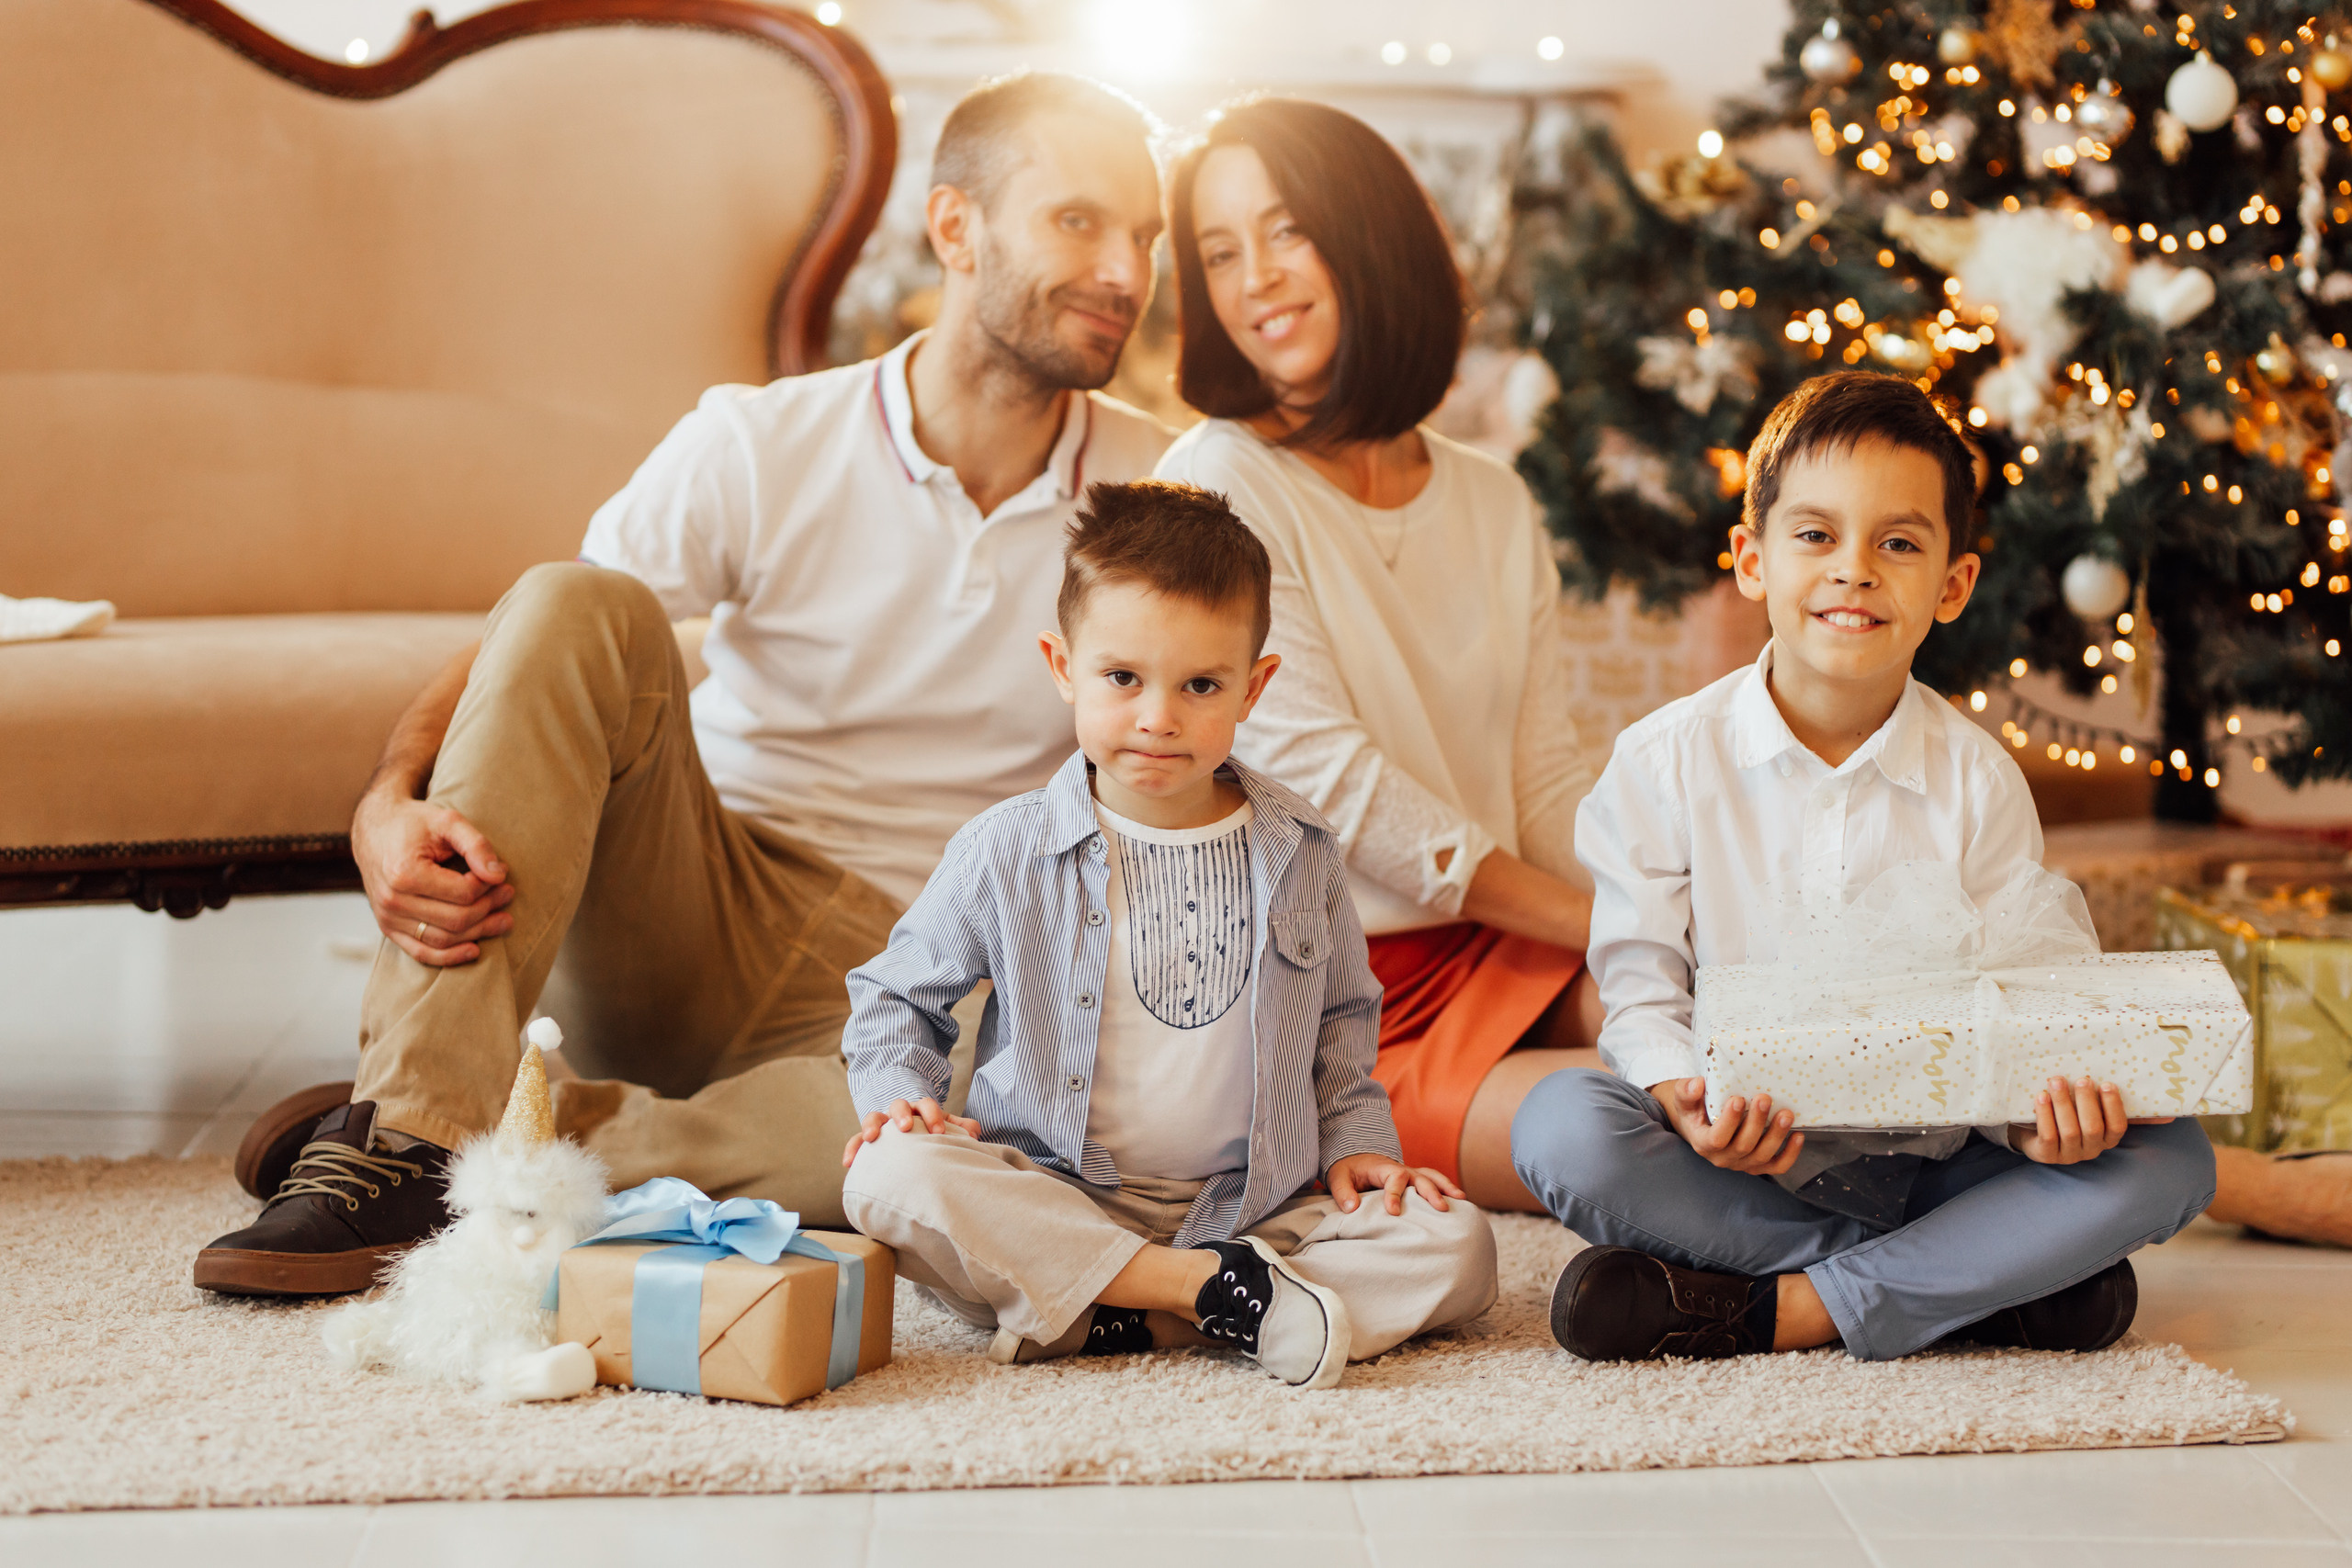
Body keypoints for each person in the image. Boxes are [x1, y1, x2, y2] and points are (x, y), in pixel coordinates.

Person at [193, 72, 1176, 1298]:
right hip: (701, 898)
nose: (1127, 271)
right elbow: (538, 642)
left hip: (928, 977)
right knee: (574, 594)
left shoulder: (1164, 493)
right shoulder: (760, 439)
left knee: (987, 1142)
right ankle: (412, 1117)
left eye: (1146, 235)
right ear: (956, 227)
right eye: (1080, 221)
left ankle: (456, 1133)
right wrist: (386, 796)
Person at [1510, 371, 2219, 1362]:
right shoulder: (1663, 759)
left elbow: (2015, 1001)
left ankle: (1785, 1307)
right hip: (1745, 1168)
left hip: (1938, 1163)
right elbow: (1637, 986)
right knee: (1558, 1124)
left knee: (2171, 1159)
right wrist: (1685, 1100)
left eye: (1897, 543)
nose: (1854, 571)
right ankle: (1977, 1286)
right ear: (1750, 562)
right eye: (1815, 537)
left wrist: (2037, 1128)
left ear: (1953, 585)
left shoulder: (1977, 781)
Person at [837, 480, 1497, 1387]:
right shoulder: (1006, 848)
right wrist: (898, 1096)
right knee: (885, 1176)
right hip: (1056, 1195)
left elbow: (1344, 1022)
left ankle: (1126, 1313)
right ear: (1062, 665)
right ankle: (1209, 1296)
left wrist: (1360, 1151)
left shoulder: (1298, 850)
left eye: (1199, 685)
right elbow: (893, 996)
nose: (1157, 717)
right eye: (1122, 679)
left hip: (1250, 1211)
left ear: (1253, 686)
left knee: (1456, 1243)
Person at [1150, 98, 1600, 1218]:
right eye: (1219, 251)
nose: (1253, 277)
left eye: (1286, 229)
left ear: (1370, 237)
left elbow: (1541, 772)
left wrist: (1644, 919)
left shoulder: (1495, 501)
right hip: (1332, 1006)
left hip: (1503, 944)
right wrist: (1595, 928)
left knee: (1752, 1048)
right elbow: (1326, 781)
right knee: (1628, 1127)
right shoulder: (1218, 477)